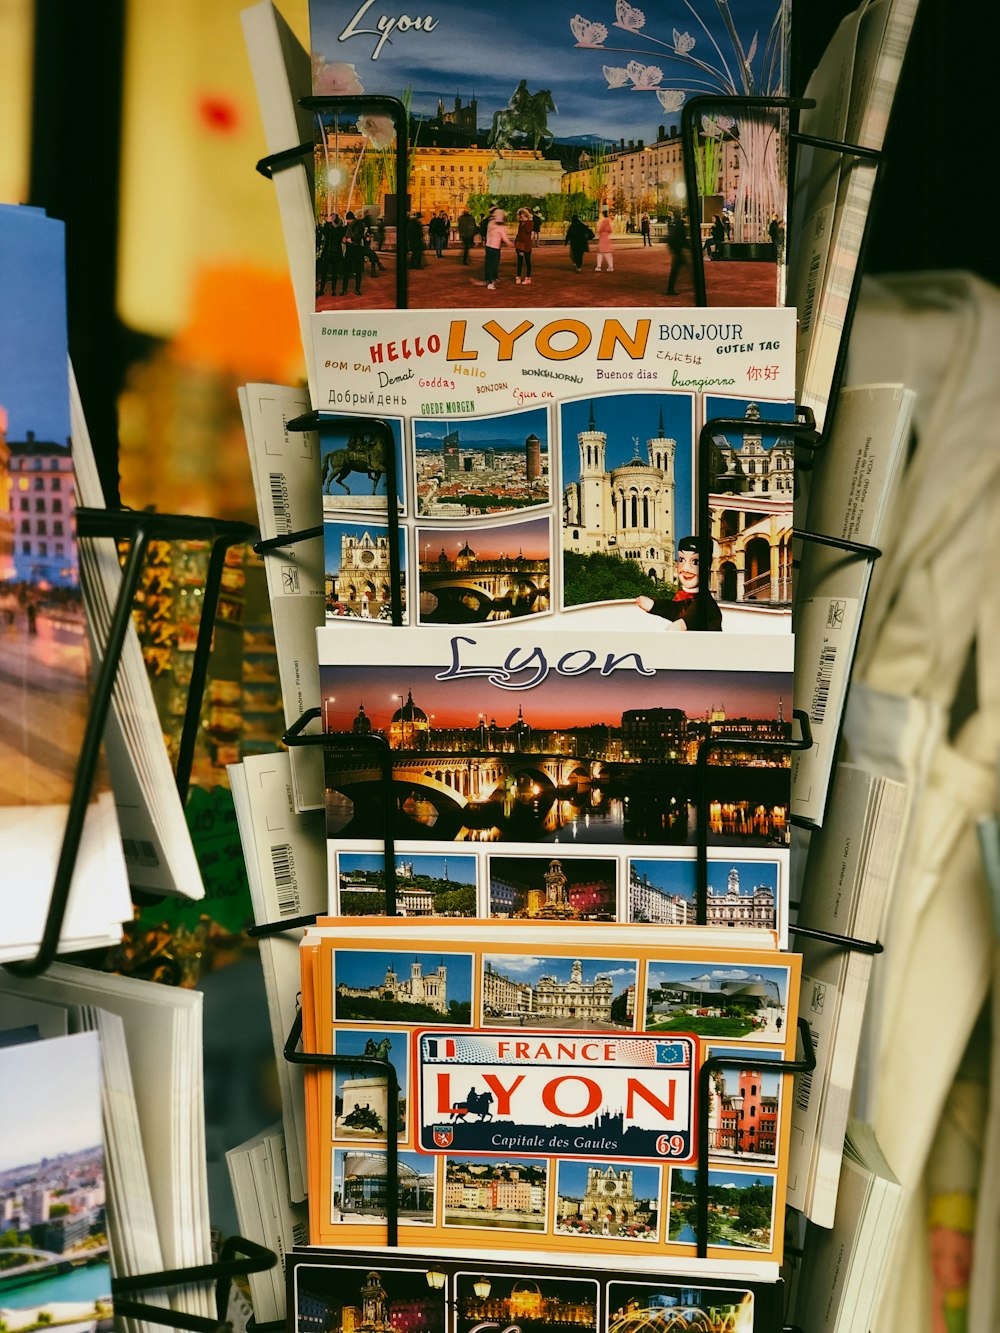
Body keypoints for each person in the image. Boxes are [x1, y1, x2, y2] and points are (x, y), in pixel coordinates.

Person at [635, 536, 722, 631]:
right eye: (681, 560)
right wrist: (653, 605)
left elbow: (694, 616)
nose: (685, 568)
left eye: (695, 561)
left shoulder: (705, 603)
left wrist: (681, 625)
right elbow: (676, 609)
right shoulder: (687, 599)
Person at [484, 207, 513, 290]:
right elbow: (505, 238)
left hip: (488, 246)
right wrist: (510, 244)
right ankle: (491, 282)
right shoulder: (501, 227)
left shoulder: (491, 224)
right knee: (494, 265)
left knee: (488, 264)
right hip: (495, 248)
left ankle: (488, 279)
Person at [316, 214, 343, 296]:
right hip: (334, 252)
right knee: (332, 272)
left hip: (329, 252)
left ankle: (323, 290)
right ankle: (332, 290)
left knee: (326, 271)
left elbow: (325, 233)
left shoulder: (333, 229)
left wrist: (328, 223)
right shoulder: (338, 229)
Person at [340, 211, 366, 295]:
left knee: (357, 270)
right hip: (350, 249)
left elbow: (361, 235)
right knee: (347, 270)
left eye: (349, 220)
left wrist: (352, 240)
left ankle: (357, 289)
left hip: (357, 249)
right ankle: (344, 289)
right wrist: (344, 240)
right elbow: (343, 236)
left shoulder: (359, 224)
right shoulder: (347, 227)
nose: (348, 222)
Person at [665, 209, 689, 296]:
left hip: (675, 248)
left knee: (676, 269)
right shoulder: (680, 224)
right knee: (677, 269)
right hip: (678, 248)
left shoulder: (673, 223)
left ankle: (670, 288)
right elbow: (682, 237)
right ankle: (670, 289)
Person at [514, 206, 534, 285]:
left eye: (522, 214)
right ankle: (518, 276)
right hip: (520, 244)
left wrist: (526, 222)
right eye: (520, 214)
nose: (521, 216)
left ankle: (528, 278)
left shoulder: (530, 223)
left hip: (527, 245)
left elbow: (528, 230)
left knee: (527, 262)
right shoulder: (521, 223)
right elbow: (519, 234)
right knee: (519, 262)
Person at [595, 207, 614, 272]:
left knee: (600, 253)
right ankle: (610, 266)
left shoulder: (600, 221)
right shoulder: (610, 221)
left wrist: (598, 235)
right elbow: (611, 230)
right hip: (607, 238)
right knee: (608, 253)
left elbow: (598, 230)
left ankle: (598, 266)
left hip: (602, 238)